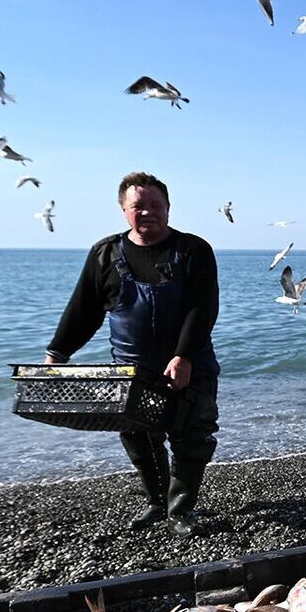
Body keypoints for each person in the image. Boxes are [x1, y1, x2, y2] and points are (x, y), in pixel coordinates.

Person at [44, 172, 221, 534]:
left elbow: (203, 308)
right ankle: (157, 503)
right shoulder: (105, 254)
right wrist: (57, 353)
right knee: (139, 439)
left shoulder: (193, 250)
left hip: (191, 363)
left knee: (193, 436)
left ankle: (181, 510)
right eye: (138, 206)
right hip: (131, 371)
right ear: (124, 210)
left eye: (155, 205)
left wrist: (184, 355)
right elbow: (84, 309)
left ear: (168, 209)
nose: (147, 212)